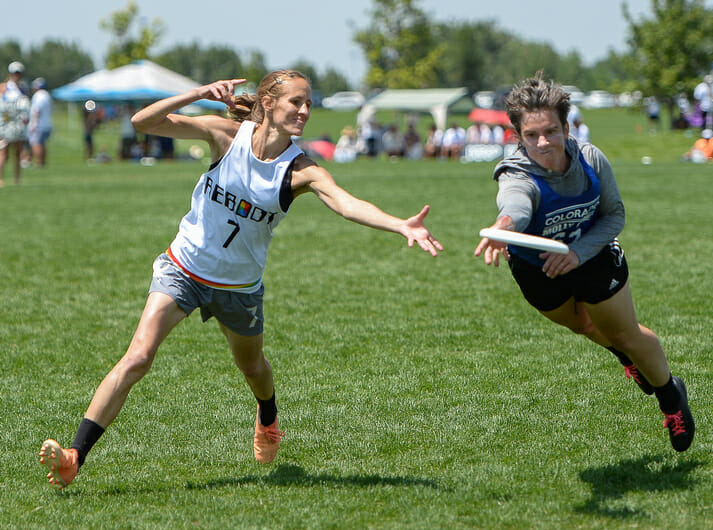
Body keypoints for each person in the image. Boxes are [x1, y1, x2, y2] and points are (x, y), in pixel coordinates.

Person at [38, 71, 443, 490]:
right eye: (295, 103)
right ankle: (74, 457)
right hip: (183, 268)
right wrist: (196, 95)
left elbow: (346, 204)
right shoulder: (225, 134)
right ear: (268, 103)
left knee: (251, 367)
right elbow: (143, 122)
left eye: (308, 104)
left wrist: (400, 225)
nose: (304, 111)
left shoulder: (301, 169)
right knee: (138, 357)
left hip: (238, 287)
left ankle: (268, 415)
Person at [474, 73, 694, 453]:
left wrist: (577, 252)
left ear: (566, 126)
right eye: (532, 135)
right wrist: (502, 228)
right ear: (518, 136)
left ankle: (670, 396)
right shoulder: (516, 173)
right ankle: (626, 358)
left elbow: (614, 215)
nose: (543, 142)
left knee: (625, 333)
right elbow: (515, 204)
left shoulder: (590, 158)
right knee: (583, 325)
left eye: (552, 131)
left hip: (593, 254)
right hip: (538, 266)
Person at [0, 61, 30, 186]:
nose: (16, 75)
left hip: (18, 125)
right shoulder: (4, 87)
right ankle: (0, 179)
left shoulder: (23, 89)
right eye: (14, 73)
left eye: (18, 73)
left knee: (18, 152)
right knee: (3, 152)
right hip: (5, 123)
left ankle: (17, 179)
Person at [27, 77, 53, 167]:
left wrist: (33, 123)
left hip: (39, 124)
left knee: (36, 143)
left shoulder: (38, 96)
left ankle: (38, 162)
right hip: (47, 123)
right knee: (42, 143)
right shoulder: (47, 95)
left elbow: (36, 110)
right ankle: (43, 161)